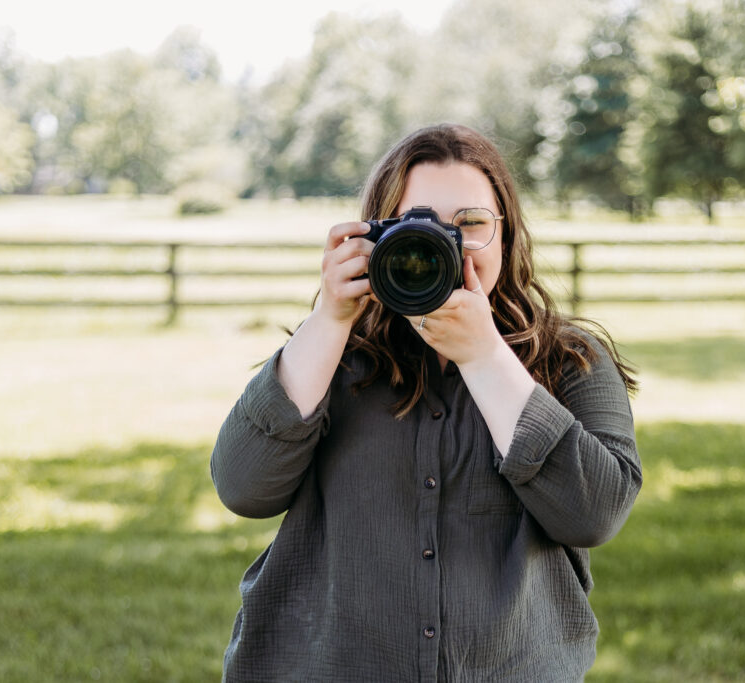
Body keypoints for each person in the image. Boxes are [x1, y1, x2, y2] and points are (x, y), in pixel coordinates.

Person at [210, 123, 641, 681]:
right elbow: (242, 487)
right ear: (374, 235)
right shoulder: (332, 356)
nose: (446, 243)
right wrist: (330, 319)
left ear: (504, 235)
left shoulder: (570, 361)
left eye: (471, 224)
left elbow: (595, 514)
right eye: (418, 226)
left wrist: (485, 357)